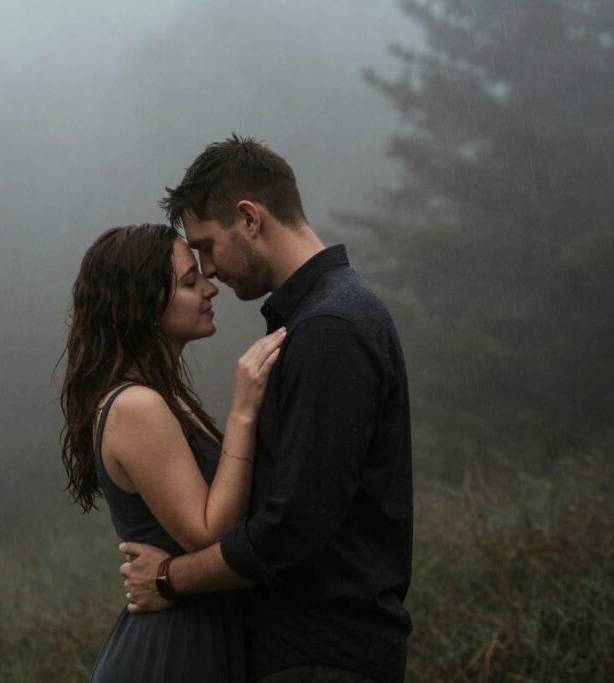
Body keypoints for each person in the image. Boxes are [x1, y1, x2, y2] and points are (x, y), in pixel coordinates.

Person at [119, 135, 414, 683]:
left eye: (205, 246)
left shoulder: (330, 328)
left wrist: (169, 578)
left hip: (322, 656)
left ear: (249, 218)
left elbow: (294, 526)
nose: (206, 270)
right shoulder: (319, 320)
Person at [60, 223, 287, 682]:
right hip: (170, 651)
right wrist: (243, 410)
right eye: (189, 282)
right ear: (141, 305)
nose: (210, 288)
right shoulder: (136, 406)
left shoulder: (162, 399)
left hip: (196, 636)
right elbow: (207, 533)